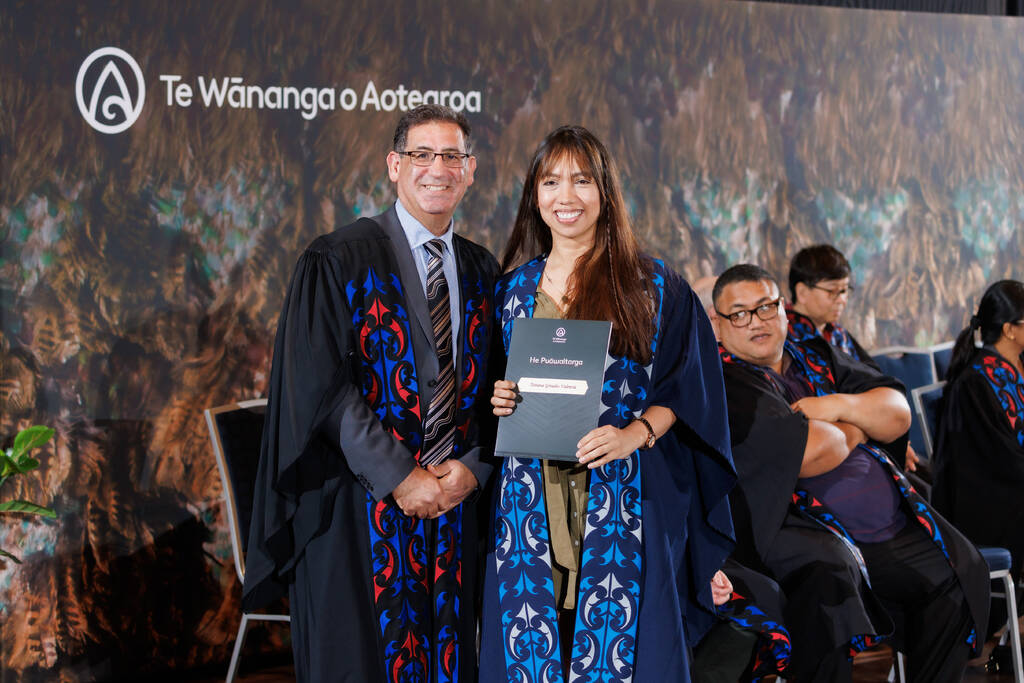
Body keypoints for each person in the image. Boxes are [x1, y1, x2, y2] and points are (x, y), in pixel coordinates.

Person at [242, 105, 500, 682]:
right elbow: (322, 391)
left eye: (451, 156)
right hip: (357, 507)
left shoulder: (483, 269)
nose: (437, 169)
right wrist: (400, 478)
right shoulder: (337, 258)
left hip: (452, 511)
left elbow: (497, 389)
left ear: (470, 169)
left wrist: (475, 467)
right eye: (421, 155)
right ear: (394, 165)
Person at [482, 126, 736, 682]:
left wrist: (633, 434)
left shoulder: (653, 287)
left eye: (581, 181)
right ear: (534, 195)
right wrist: (498, 397)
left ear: (606, 193)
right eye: (551, 182)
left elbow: (686, 390)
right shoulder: (509, 292)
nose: (565, 197)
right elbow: (492, 391)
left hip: (625, 499)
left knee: (628, 648)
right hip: (531, 500)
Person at [713, 263, 989, 683]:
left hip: (888, 526)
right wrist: (861, 427)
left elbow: (896, 412)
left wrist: (837, 407)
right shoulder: (727, 380)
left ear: (784, 310)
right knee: (830, 584)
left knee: (956, 571)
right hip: (805, 528)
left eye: (766, 307)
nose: (756, 322)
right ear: (719, 324)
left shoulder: (814, 355)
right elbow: (810, 451)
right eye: (740, 313)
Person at [933, 280, 1024, 580]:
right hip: (993, 502)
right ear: (1010, 329)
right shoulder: (977, 382)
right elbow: (1001, 462)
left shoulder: (1017, 365)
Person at [786, 244, 872, 362]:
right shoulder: (784, 338)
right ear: (802, 292)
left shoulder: (838, 333)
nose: (841, 300)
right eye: (832, 291)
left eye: (843, 290)